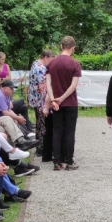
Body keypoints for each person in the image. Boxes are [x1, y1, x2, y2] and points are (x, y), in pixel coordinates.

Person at [46, 36, 82, 171]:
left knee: (57, 131)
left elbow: (48, 85)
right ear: (73, 48)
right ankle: (69, 161)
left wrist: (54, 99)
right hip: (70, 103)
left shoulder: (51, 64)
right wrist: (62, 98)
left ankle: (57, 161)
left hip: (56, 103)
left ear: (61, 46)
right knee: (69, 132)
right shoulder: (75, 64)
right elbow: (73, 86)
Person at [0, 80, 39, 150]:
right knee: (8, 118)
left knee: (13, 118)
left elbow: (9, 110)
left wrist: (17, 118)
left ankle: (23, 140)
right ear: (4, 88)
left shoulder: (7, 95)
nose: (13, 90)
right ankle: (22, 142)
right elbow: (5, 112)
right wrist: (17, 118)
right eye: (11, 88)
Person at [28, 50, 55, 162]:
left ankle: (40, 147)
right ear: (45, 57)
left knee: (40, 124)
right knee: (43, 125)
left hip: (35, 100)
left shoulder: (35, 64)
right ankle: (42, 148)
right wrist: (46, 104)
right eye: (50, 60)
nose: (51, 63)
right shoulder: (41, 69)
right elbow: (42, 87)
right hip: (40, 101)